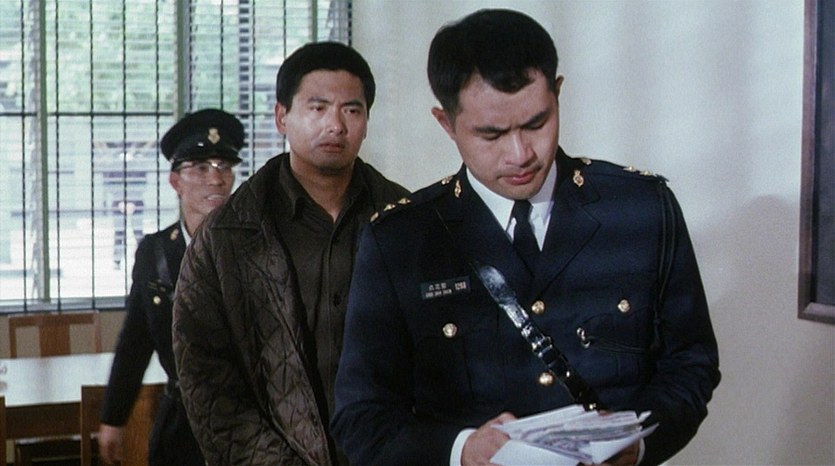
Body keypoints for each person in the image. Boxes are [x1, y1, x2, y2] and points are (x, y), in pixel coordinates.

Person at [331, 9, 720, 466]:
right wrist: (461, 450)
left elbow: (690, 365)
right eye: (491, 135)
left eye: (537, 124)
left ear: (558, 94)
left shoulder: (639, 210)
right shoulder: (402, 240)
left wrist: (635, 443)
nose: (520, 154)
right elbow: (361, 417)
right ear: (446, 123)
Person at [172, 42, 409, 465]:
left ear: (366, 122)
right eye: (317, 108)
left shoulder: (406, 221)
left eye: (351, 110)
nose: (335, 125)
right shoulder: (226, 237)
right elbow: (208, 383)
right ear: (282, 117)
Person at [99, 108, 245, 466]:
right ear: (175, 181)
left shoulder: (254, 248)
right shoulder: (156, 253)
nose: (216, 179)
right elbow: (135, 342)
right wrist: (114, 418)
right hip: (182, 427)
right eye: (201, 168)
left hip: (246, 424)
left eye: (224, 167)